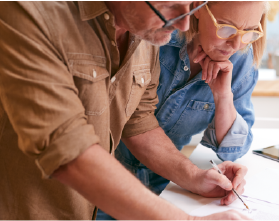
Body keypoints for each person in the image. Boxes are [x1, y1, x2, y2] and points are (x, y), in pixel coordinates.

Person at [0, 1, 252, 221]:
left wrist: (194, 177)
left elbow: (138, 120)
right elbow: (66, 149)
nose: (185, 25)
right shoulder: (28, 11)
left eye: (191, 6)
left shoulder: (147, 29)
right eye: (169, 6)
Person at [97, 1, 268, 219]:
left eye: (250, 32)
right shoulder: (156, 34)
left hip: (168, 184)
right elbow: (134, 121)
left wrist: (223, 96)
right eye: (225, 28)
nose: (235, 44)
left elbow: (232, 151)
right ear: (198, 9)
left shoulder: (241, 60)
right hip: (102, 176)